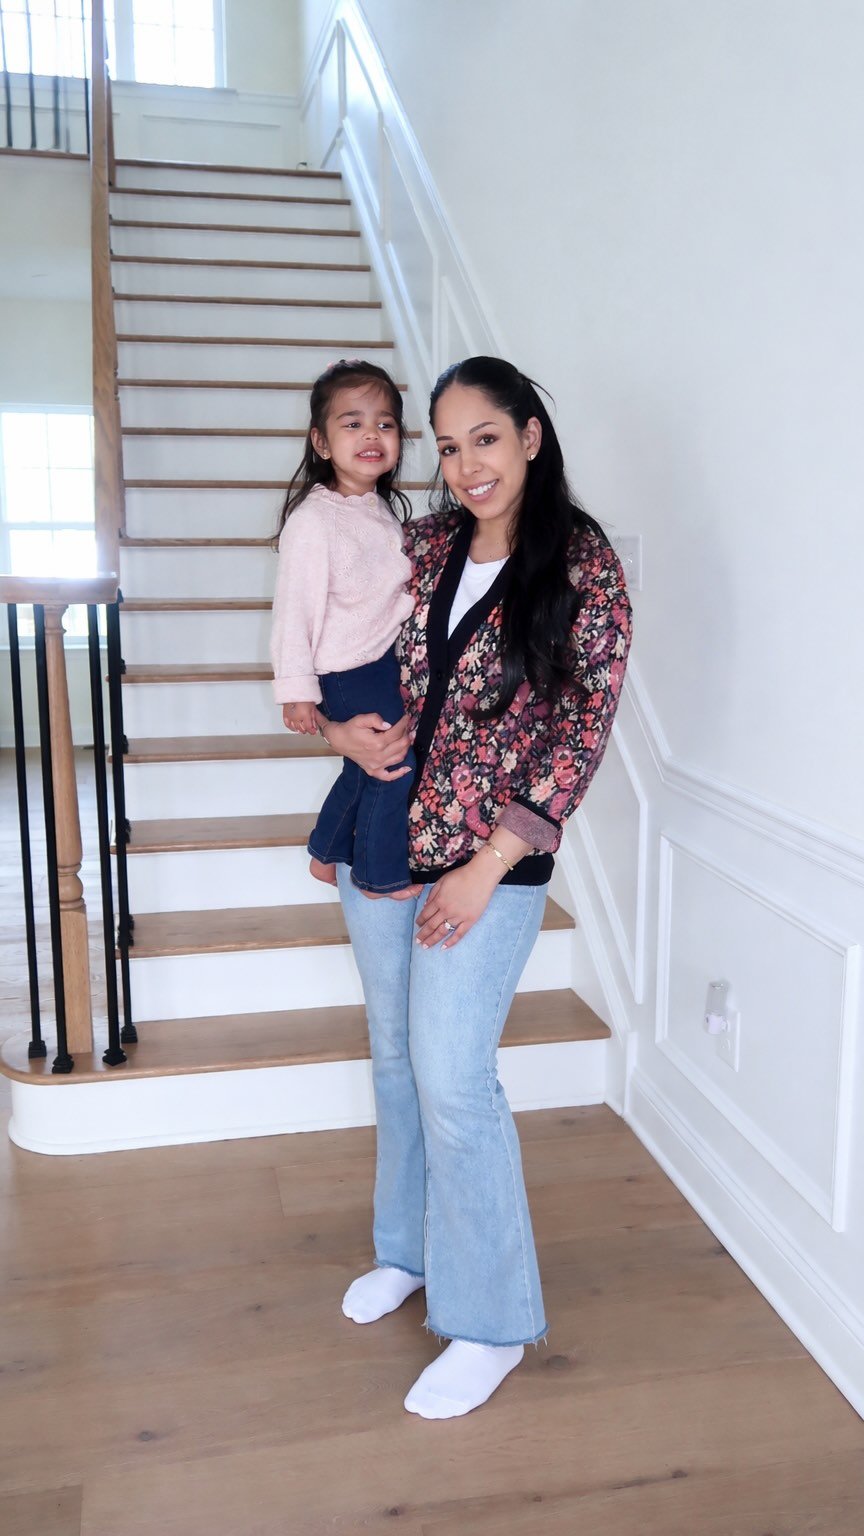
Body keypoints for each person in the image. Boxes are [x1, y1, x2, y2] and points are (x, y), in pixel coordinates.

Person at [317, 356, 632, 1420]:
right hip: (383, 845)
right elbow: (349, 652)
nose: (464, 467)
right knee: (397, 1059)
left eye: (484, 439)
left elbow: (579, 736)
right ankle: (407, 1252)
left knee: (454, 1079)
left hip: (490, 867)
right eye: (447, 447)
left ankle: (491, 1323)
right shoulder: (425, 545)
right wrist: (336, 742)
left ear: (530, 436)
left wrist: (485, 867)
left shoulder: (583, 565)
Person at [270, 359, 415, 894]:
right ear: (322, 442)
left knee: (363, 764)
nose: (371, 435)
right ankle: (378, 875)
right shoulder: (314, 520)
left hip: (379, 660)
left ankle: (326, 851)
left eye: (384, 424)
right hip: (346, 667)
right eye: (352, 424)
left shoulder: (379, 509)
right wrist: (297, 690)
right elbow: (294, 609)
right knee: (393, 762)